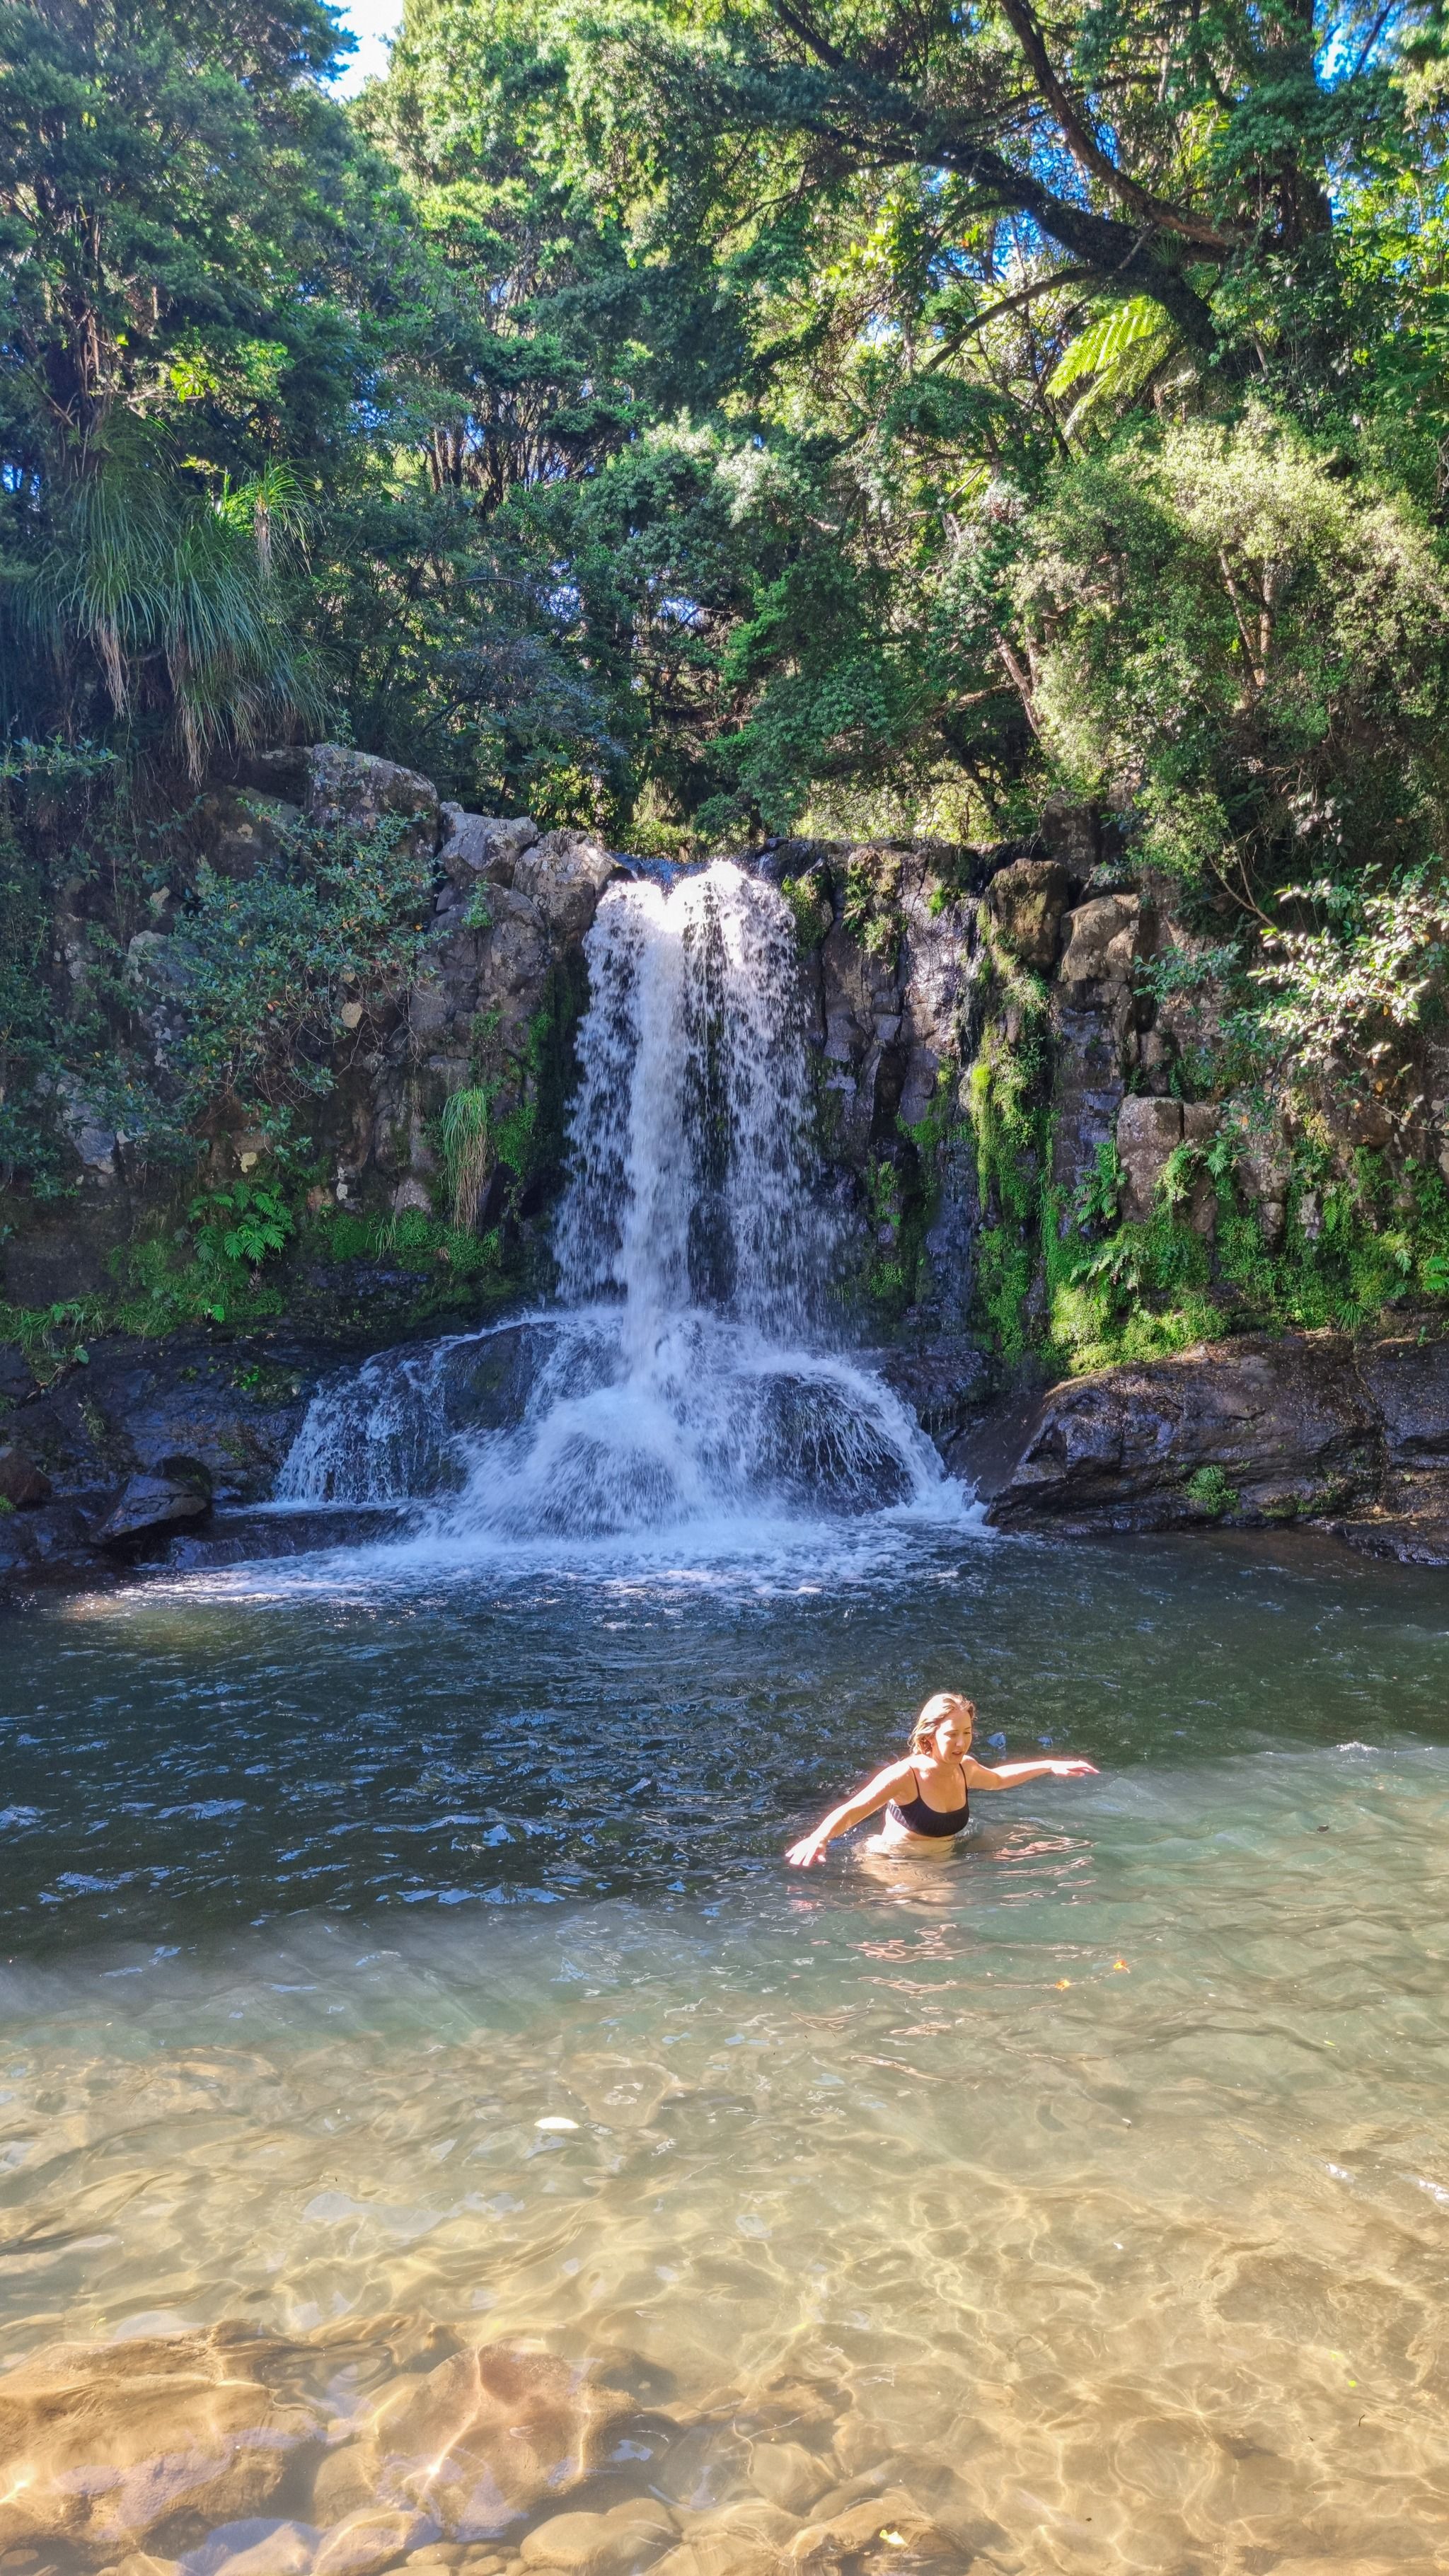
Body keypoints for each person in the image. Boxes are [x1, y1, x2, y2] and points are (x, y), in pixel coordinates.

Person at [785, 1690, 1097, 1866]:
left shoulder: (965, 1768)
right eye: (951, 1735)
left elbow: (998, 1779)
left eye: (967, 1733)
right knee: (947, 1914)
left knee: (1039, 1841)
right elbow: (853, 1810)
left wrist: (1050, 1764)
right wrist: (819, 1838)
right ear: (929, 1736)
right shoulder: (905, 1776)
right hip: (899, 1862)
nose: (961, 1743)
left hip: (950, 1851)